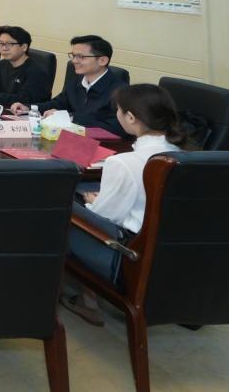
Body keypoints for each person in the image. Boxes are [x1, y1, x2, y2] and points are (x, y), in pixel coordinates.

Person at [62, 84, 192, 325]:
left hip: (127, 257)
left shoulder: (123, 163)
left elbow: (105, 216)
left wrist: (94, 202)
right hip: (171, 256)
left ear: (131, 118)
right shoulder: (188, 157)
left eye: (118, 111)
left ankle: (87, 302)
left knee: (63, 202)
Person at [11, 35, 128, 136]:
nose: (74, 61)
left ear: (102, 60)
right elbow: (57, 104)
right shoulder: (78, 81)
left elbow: (116, 128)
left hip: (103, 148)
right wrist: (29, 108)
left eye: (80, 57)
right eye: (73, 56)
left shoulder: (120, 92)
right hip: (72, 140)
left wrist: (70, 118)